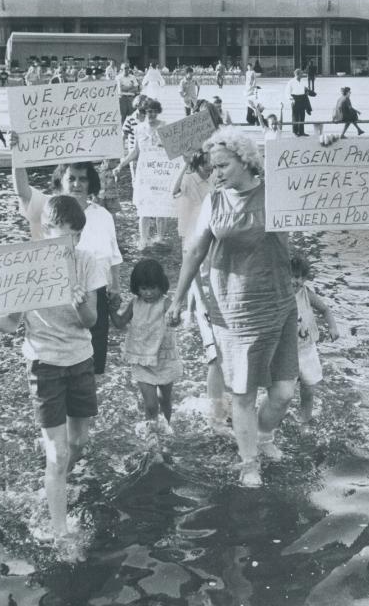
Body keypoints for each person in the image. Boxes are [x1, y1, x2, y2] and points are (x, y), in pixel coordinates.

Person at [167, 128, 299, 487]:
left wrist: (327, 146)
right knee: (242, 392)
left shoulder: (277, 191)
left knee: (284, 393)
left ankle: (264, 436)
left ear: (246, 161)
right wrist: (178, 299)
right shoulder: (214, 200)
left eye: (223, 166)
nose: (216, 174)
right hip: (235, 308)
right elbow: (195, 251)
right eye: (212, 168)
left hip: (279, 301)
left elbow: (322, 191)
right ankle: (249, 461)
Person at [0, 195, 101, 557]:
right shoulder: (26, 266)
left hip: (79, 359)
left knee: (78, 442)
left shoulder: (86, 262)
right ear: (44, 232)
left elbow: (92, 321)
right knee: (59, 452)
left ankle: (55, 478)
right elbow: (12, 324)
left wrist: (80, 302)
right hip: (44, 363)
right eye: (60, 238)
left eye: (74, 236)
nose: (68, 245)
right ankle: (61, 533)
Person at [11, 152, 123, 376]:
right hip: (54, 293)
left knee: (93, 362)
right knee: (56, 360)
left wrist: (116, 286)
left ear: (90, 182)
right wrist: (18, 153)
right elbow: (22, 190)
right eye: (71, 178)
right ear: (60, 179)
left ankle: (86, 402)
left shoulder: (102, 214)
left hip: (95, 293)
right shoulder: (46, 207)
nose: (77, 184)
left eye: (83, 179)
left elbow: (113, 255)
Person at [172, 150, 229, 432]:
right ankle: (216, 417)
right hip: (210, 293)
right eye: (215, 167)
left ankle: (229, 404)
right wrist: (190, 299)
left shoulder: (237, 205)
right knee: (215, 356)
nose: (217, 172)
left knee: (233, 354)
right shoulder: (205, 206)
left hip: (235, 296)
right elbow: (191, 256)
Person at [110, 258, 182, 441]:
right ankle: (151, 437)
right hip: (141, 359)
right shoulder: (135, 303)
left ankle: (165, 430)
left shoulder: (166, 303)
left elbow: (176, 318)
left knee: (165, 399)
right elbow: (119, 323)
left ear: (161, 286)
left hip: (163, 358)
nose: (148, 293)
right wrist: (111, 309)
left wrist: (175, 318)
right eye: (143, 288)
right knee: (150, 404)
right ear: (137, 288)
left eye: (153, 288)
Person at [290, 251, 339, 423]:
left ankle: (304, 420)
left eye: (299, 277)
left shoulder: (305, 293)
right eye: (291, 276)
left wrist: (332, 326)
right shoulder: (278, 296)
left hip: (306, 349)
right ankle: (276, 415)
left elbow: (325, 309)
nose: (295, 281)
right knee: (284, 392)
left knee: (308, 389)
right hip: (286, 352)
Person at [115, 98, 170, 248]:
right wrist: (121, 165)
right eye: (148, 111)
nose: (151, 114)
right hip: (144, 172)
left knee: (161, 208)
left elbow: (172, 151)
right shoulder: (139, 128)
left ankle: (160, 238)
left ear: (158, 112)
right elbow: (135, 152)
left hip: (160, 172)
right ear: (144, 112)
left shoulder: (165, 126)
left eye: (153, 111)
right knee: (144, 207)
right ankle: (144, 240)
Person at [285, 68, 310, 137]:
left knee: (302, 115)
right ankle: (295, 131)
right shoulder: (291, 82)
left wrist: (307, 91)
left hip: (302, 99)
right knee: (295, 116)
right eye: (301, 74)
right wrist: (291, 99)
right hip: (294, 99)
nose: (302, 75)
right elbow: (287, 92)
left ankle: (301, 131)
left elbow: (304, 89)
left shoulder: (302, 81)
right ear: (297, 74)